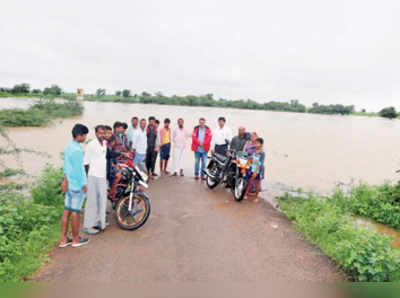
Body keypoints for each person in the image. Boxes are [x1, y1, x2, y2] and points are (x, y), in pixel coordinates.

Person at [59, 124, 89, 248]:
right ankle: (76, 239)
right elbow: (79, 170)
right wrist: (84, 184)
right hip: (76, 186)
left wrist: (64, 181)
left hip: (68, 184)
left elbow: (66, 166)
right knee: (76, 212)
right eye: (85, 135)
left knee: (67, 211)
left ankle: (63, 239)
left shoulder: (69, 146)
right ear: (79, 135)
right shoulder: (78, 150)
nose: (86, 137)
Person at [83, 125, 108, 235]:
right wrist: (88, 176)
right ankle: (88, 226)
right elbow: (86, 163)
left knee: (102, 200)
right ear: (96, 133)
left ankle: (99, 222)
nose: (102, 135)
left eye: (103, 133)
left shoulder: (104, 144)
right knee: (92, 201)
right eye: (100, 133)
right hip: (93, 176)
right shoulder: (91, 145)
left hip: (102, 176)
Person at [243, 138, 265, 203]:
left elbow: (260, 163)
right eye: (256, 143)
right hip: (252, 168)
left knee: (257, 184)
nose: (256, 144)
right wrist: (251, 161)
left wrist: (255, 172)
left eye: (258, 143)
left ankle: (256, 197)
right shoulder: (255, 151)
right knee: (250, 183)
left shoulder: (262, 153)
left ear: (261, 144)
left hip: (258, 170)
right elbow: (252, 159)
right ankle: (245, 194)